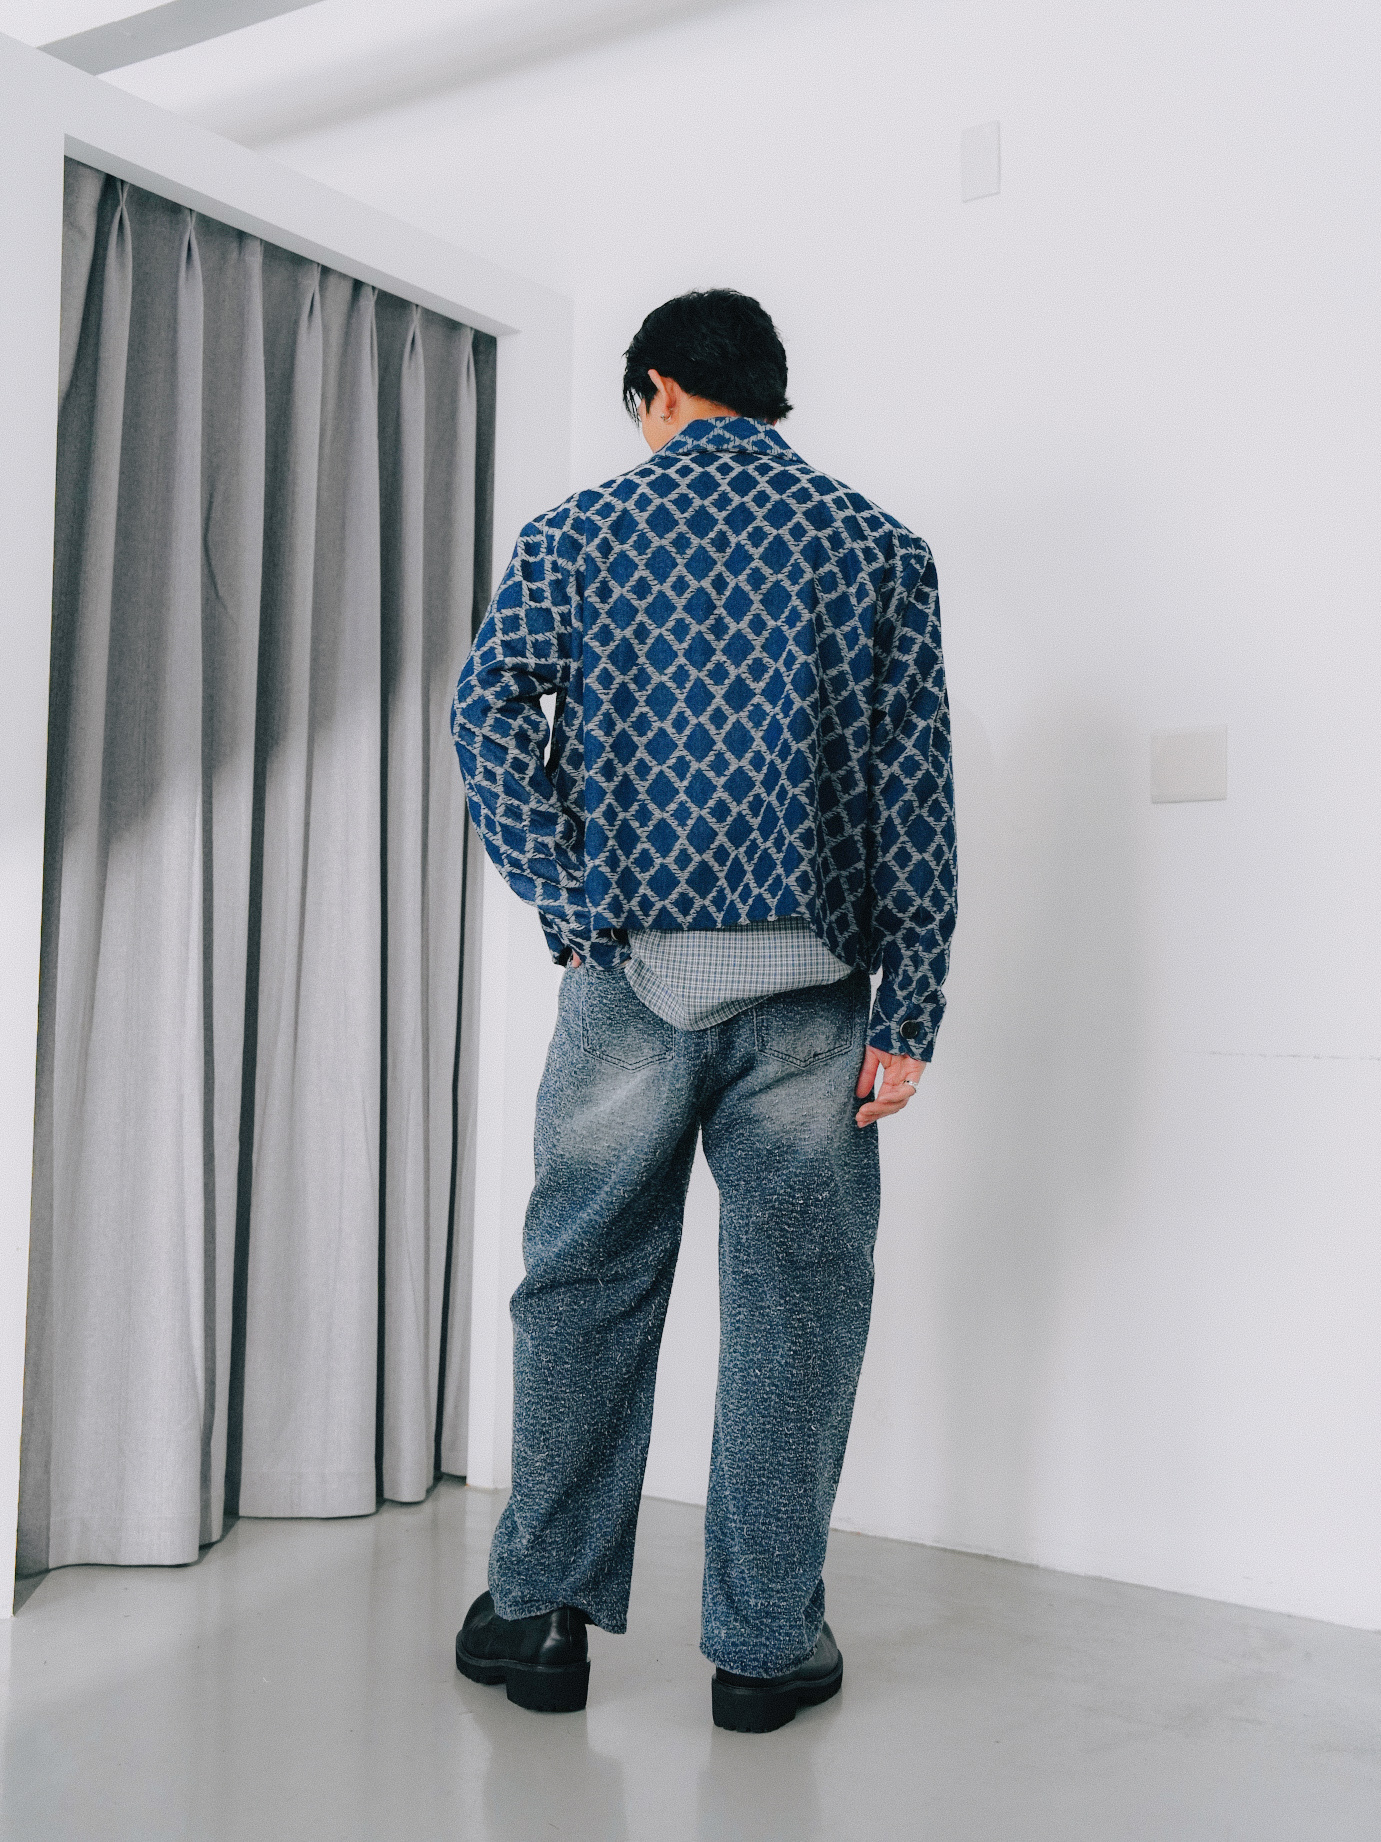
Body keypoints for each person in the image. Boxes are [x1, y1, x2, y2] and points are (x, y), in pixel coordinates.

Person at [449, 289, 956, 1733]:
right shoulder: (875, 547)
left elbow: (485, 714)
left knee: (584, 1281)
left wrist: (570, 899)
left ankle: (540, 1615)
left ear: (657, 390)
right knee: (798, 1309)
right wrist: (910, 1002)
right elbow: (915, 787)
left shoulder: (576, 535)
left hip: (628, 977)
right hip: (814, 995)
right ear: (765, 395)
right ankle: (764, 1643)